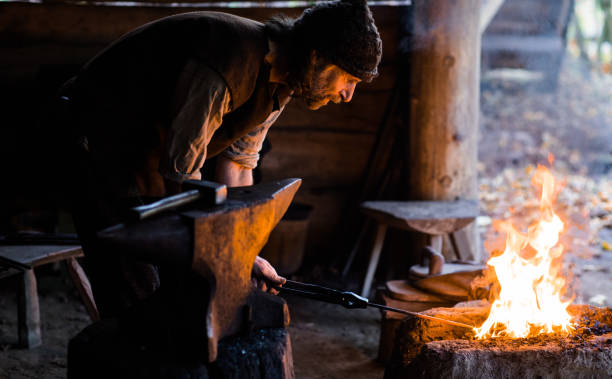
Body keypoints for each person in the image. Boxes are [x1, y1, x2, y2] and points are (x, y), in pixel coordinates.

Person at [49, 0, 382, 317]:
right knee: (136, 287)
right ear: (317, 57)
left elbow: (238, 166)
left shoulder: (281, 84)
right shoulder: (229, 58)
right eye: (349, 79)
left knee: (177, 284)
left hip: (145, 156)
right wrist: (226, 253)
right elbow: (182, 168)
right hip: (94, 137)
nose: (347, 94)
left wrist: (245, 253)